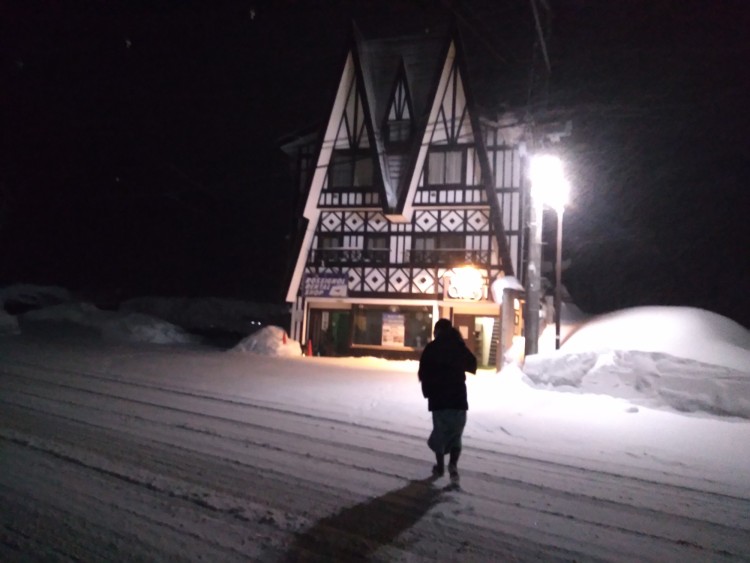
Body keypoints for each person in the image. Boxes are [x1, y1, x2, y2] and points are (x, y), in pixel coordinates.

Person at [418, 318, 477, 485]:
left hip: (439, 398)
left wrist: (428, 391)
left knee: (440, 433)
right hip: (458, 397)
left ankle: (440, 466)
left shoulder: (432, 348)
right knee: (456, 435)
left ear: (437, 331)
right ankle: (453, 465)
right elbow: (472, 363)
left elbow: (423, 373)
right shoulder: (458, 346)